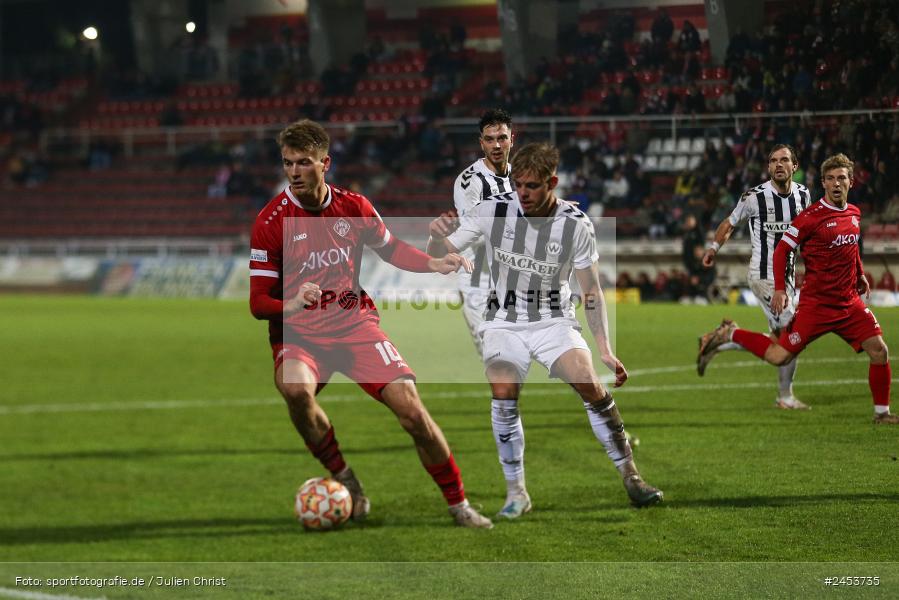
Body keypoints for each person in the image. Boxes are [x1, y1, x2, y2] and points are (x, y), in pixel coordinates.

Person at [249, 119, 494, 528]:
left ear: (324, 163)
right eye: (288, 163)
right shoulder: (270, 222)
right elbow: (258, 303)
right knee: (295, 390)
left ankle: (458, 503)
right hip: (301, 335)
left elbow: (391, 249)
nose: (293, 172)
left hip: (354, 326)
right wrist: (290, 304)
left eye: (303, 163)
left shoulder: (354, 207)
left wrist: (432, 262)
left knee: (412, 412)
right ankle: (346, 478)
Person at [428, 142, 663, 519]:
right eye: (518, 184)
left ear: (551, 182)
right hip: (503, 319)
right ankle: (516, 492)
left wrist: (603, 347)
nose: (523, 193)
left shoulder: (575, 224)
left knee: (590, 383)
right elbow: (437, 256)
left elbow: (591, 290)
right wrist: (438, 236)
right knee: (503, 389)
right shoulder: (493, 211)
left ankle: (632, 477)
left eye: (533, 186)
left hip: (554, 320)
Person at [698, 154, 897, 425]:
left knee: (879, 351)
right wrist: (780, 289)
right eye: (830, 179)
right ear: (823, 183)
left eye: (841, 178)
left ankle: (882, 413)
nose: (836, 183)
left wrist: (860, 274)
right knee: (780, 354)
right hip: (813, 305)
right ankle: (733, 335)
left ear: (851, 181)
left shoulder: (853, 212)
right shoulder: (809, 217)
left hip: (849, 304)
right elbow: (781, 250)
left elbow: (850, 247)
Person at [698, 145, 812, 410]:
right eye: (773, 161)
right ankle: (783, 395)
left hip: (788, 279)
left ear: (795, 166)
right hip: (763, 276)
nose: (778, 165)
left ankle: (719, 341)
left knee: (778, 342)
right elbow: (729, 223)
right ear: (768, 167)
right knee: (792, 334)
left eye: (784, 160)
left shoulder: (804, 195)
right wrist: (713, 248)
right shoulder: (754, 197)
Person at [427, 108, 514, 358]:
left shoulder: (518, 176)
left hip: (512, 274)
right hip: (478, 278)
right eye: (490, 139)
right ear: (481, 143)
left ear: (512, 139)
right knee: (496, 355)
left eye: (502, 138)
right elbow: (476, 229)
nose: (497, 145)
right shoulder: (471, 181)